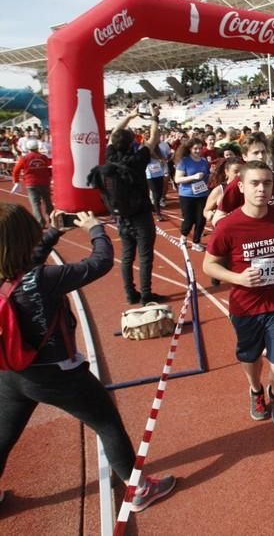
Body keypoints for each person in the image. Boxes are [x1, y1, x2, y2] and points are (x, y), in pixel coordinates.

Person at [0, 205, 175, 511]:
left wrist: (53, 234)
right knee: (107, 423)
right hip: (59, 375)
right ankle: (138, 491)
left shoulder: (16, 275)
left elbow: (25, 270)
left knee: (4, 434)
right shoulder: (45, 279)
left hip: (12, 372)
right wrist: (95, 228)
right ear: (24, 238)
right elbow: (101, 262)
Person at [202, 161, 274, 427]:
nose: (261, 189)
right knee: (251, 357)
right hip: (246, 306)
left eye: (267, 183)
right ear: (241, 187)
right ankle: (256, 390)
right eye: (254, 183)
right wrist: (238, 278)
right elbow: (208, 265)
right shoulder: (228, 226)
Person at [103, 107, 166, 305]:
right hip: (141, 214)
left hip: (121, 214)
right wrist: (154, 117)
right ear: (132, 143)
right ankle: (146, 294)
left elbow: (114, 135)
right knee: (145, 255)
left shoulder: (111, 156)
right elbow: (154, 138)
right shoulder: (138, 159)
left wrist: (129, 116)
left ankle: (130, 293)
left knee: (127, 255)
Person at [213, 132, 274, 224]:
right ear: (245, 157)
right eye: (256, 153)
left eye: (263, 152)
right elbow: (217, 219)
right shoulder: (236, 184)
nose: (261, 156)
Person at [174, 138, 210, 252]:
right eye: (195, 148)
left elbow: (207, 176)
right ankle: (184, 236)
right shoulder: (184, 161)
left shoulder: (204, 161)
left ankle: (196, 242)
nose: (198, 151)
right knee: (189, 219)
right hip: (187, 195)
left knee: (201, 220)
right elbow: (177, 179)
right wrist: (193, 177)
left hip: (202, 194)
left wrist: (211, 174)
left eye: (200, 148)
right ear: (190, 149)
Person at [11, 139, 52, 228]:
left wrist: (16, 180)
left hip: (31, 183)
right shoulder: (43, 157)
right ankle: (52, 220)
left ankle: (40, 223)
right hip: (44, 182)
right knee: (47, 201)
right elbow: (49, 165)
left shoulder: (24, 158)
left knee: (35, 204)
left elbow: (16, 170)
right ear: (37, 147)